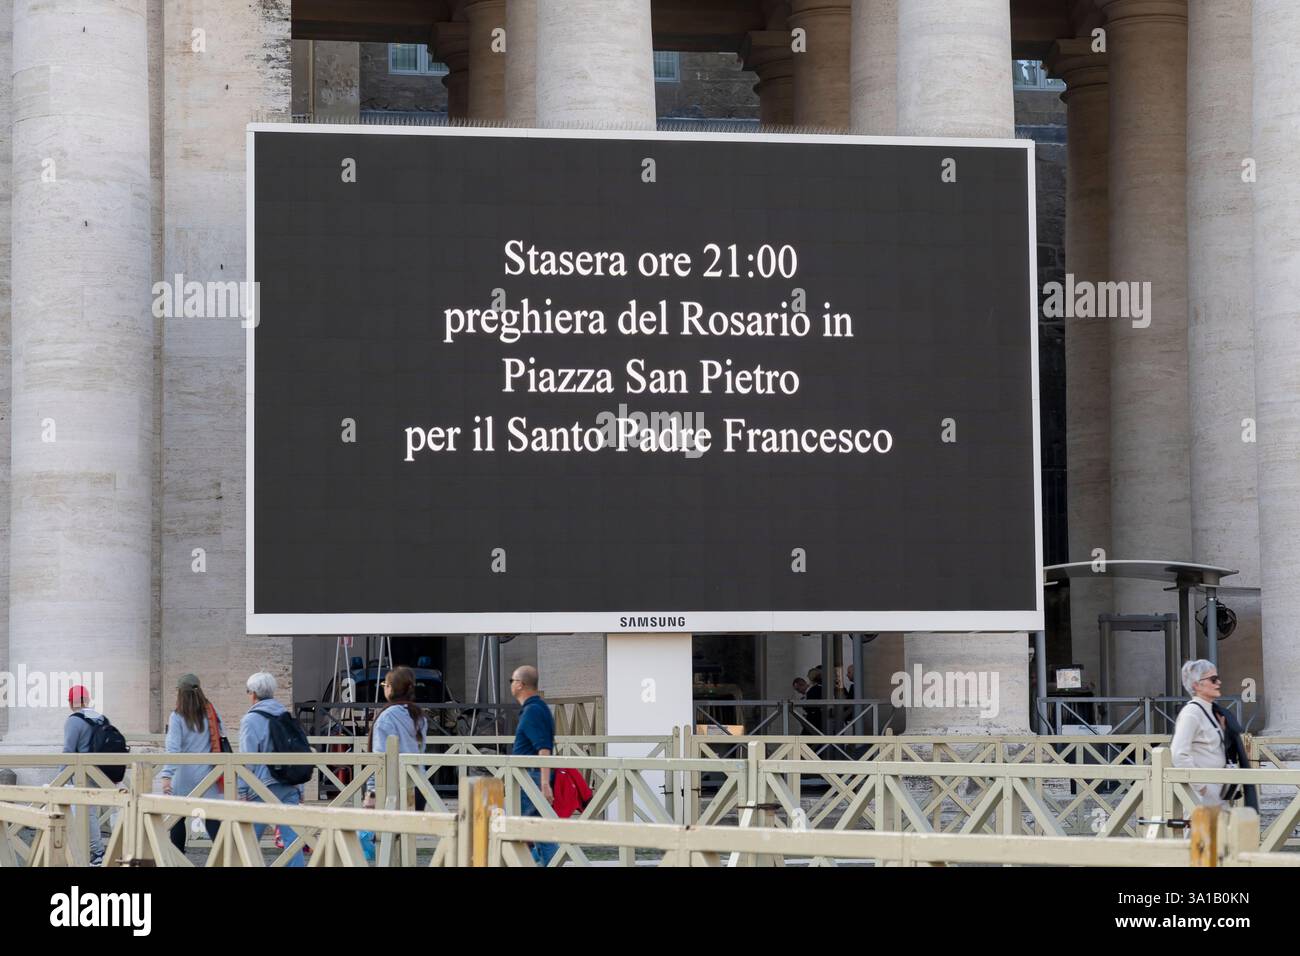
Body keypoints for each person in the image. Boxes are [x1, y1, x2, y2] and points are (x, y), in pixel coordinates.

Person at [239, 672, 306, 866]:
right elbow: (298, 752)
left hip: (262, 786)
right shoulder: (286, 715)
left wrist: (241, 790)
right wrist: (299, 787)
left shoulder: (250, 719)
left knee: (248, 841)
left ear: (252, 694)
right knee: (293, 840)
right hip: (289, 784)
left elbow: (247, 760)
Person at [159, 674, 224, 852]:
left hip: (184, 775)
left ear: (180, 693)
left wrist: (166, 775)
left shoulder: (177, 716)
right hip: (208, 774)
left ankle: (178, 860)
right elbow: (221, 737)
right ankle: (224, 858)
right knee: (211, 818)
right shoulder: (211, 713)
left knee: (177, 818)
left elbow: (173, 749)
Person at [363, 666, 429, 811]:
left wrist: (372, 791)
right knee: (408, 833)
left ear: (390, 688)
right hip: (418, 785)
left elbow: (380, 758)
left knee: (386, 833)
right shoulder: (418, 715)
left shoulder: (387, 716)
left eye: (384, 685)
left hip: (392, 788)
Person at [511, 665, 558, 867]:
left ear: (520, 684)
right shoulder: (538, 708)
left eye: (512, 681)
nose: (511, 685)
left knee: (530, 830)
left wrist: (545, 784)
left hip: (531, 779)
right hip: (532, 777)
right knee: (536, 830)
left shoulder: (533, 711)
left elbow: (544, 748)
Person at [62, 685, 113, 865]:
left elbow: (68, 752)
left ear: (70, 702)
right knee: (90, 813)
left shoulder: (74, 720)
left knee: (85, 814)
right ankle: (97, 851)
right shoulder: (102, 718)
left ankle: (96, 853)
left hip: (85, 775)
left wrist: (59, 780)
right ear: (88, 699)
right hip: (104, 773)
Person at [1171, 659, 1229, 807]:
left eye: (1218, 678)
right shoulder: (1191, 713)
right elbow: (1178, 754)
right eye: (1213, 679)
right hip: (1202, 798)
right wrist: (1203, 788)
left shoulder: (1211, 710)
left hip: (1218, 793)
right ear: (1196, 685)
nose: (1219, 683)